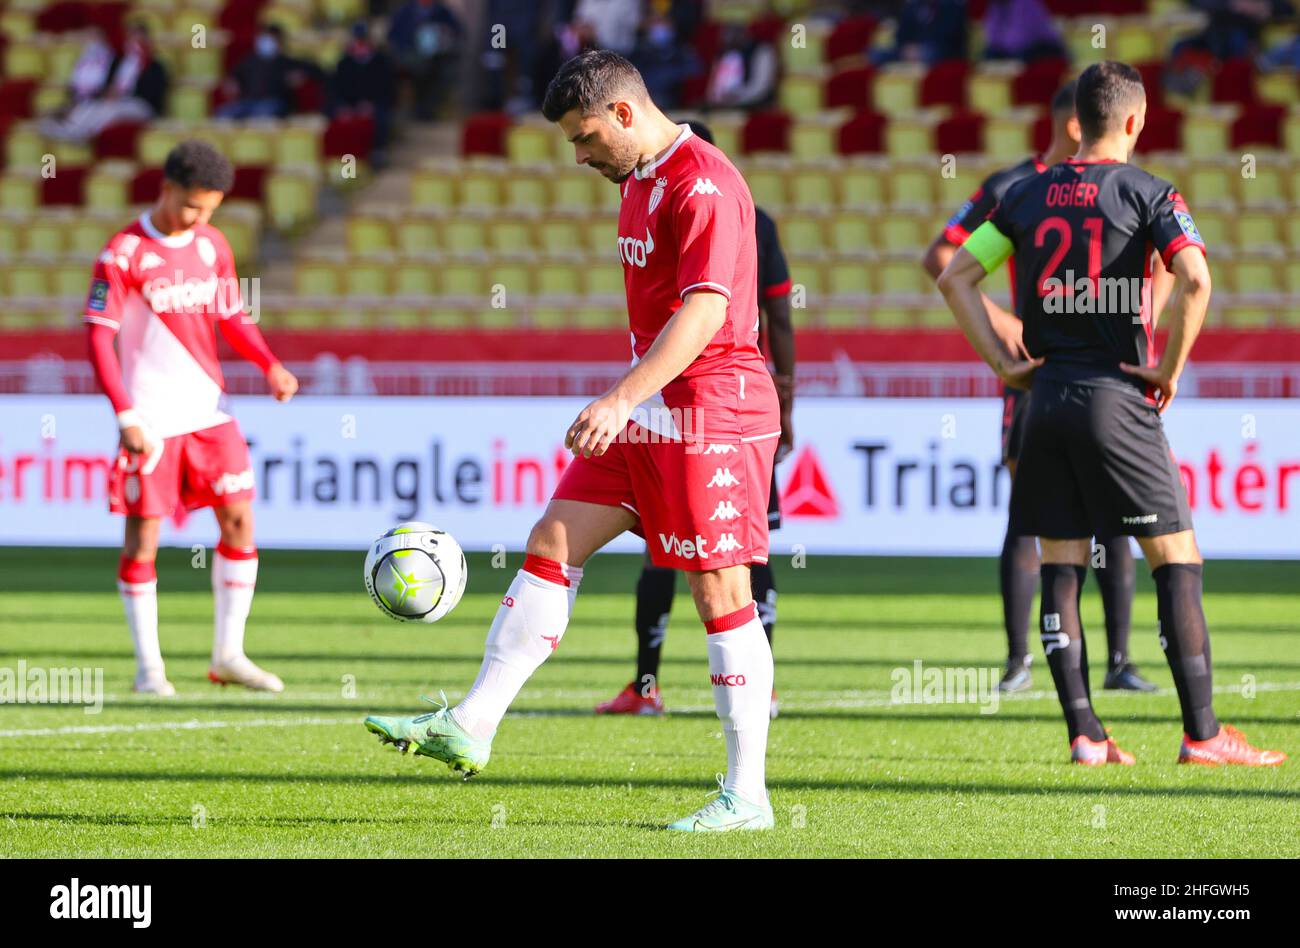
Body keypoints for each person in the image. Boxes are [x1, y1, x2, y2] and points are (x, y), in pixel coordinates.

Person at [364, 50, 783, 830]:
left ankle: (747, 796)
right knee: (553, 539)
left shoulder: (704, 184)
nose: (580, 155)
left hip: (710, 409)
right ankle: (473, 724)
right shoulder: (637, 180)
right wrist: (632, 398)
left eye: (585, 137)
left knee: (719, 593)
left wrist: (621, 397)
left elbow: (703, 315)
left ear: (625, 113)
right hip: (653, 407)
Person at [937, 61, 1286, 767]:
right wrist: (1169, 370)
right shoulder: (1150, 193)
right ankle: (1203, 734)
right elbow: (1196, 277)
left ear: (1080, 120)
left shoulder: (1024, 194)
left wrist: (1005, 365)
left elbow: (953, 275)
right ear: (1133, 121)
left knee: (1060, 563)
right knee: (1177, 559)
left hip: (1044, 403)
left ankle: (1087, 736)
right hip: (1118, 398)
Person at [923, 82, 1160, 695]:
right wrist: (1008, 329)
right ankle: (1020, 660)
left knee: (1115, 520)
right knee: (1030, 517)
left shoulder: (1106, 189)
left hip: (1097, 371)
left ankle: (1119, 662)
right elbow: (941, 256)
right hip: (1040, 373)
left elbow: (1157, 268)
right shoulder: (1015, 188)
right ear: (1079, 125)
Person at [84, 141, 299, 695]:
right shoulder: (123, 253)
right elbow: (98, 339)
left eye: (210, 211)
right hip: (150, 419)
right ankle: (149, 670)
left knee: (239, 521)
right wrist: (125, 414)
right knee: (143, 541)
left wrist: (269, 365)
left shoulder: (212, 245)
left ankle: (229, 654)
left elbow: (232, 316)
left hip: (209, 411)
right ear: (168, 188)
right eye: (192, 208)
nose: (200, 220)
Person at [596, 118, 794, 719]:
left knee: (733, 558)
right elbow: (779, 318)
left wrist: (784, 402)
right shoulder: (667, 197)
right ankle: (651, 685)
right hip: (677, 401)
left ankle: (672, 686)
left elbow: (770, 313)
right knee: (716, 553)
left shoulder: (722, 204)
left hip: (724, 405)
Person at [40, 22, 167, 142]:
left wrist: (123, 95)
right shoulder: (120, 62)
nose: (133, 41)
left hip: (140, 105)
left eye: (137, 36)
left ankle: (80, 134)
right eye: (130, 36)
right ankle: (69, 128)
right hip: (117, 102)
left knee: (110, 110)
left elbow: (153, 94)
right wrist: (109, 93)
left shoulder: (155, 65)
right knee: (91, 106)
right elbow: (106, 86)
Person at [217, 24, 316, 119]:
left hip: (275, 103)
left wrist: (300, 76)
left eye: (270, 38)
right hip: (248, 102)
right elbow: (234, 77)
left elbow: (310, 70)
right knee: (224, 113)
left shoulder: (287, 62)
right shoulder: (250, 61)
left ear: (280, 41)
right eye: (264, 37)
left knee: (261, 114)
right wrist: (232, 83)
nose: (266, 41)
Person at [330, 21, 397, 161]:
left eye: (363, 40)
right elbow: (335, 89)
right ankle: (346, 163)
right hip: (349, 104)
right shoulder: (344, 63)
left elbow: (388, 90)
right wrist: (343, 106)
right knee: (337, 120)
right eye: (357, 40)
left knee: (380, 118)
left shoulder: (382, 62)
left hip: (374, 104)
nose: (360, 44)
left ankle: (377, 152)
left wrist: (370, 105)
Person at [387, 0, 463, 120]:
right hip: (410, 55)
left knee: (443, 72)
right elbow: (393, 36)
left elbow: (457, 31)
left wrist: (444, 36)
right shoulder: (405, 11)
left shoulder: (442, 11)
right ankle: (419, 109)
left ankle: (427, 109)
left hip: (437, 56)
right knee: (421, 68)